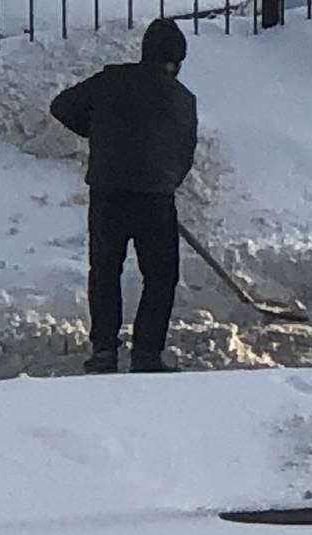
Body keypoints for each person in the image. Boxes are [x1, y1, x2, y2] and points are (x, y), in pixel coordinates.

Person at [50, 18, 197, 374]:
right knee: (160, 277)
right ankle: (146, 354)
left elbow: (61, 106)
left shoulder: (109, 81)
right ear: (176, 61)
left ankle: (104, 351)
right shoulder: (182, 99)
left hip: (107, 196)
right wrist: (167, 181)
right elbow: (185, 153)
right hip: (155, 201)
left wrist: (100, 133)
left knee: (105, 271)